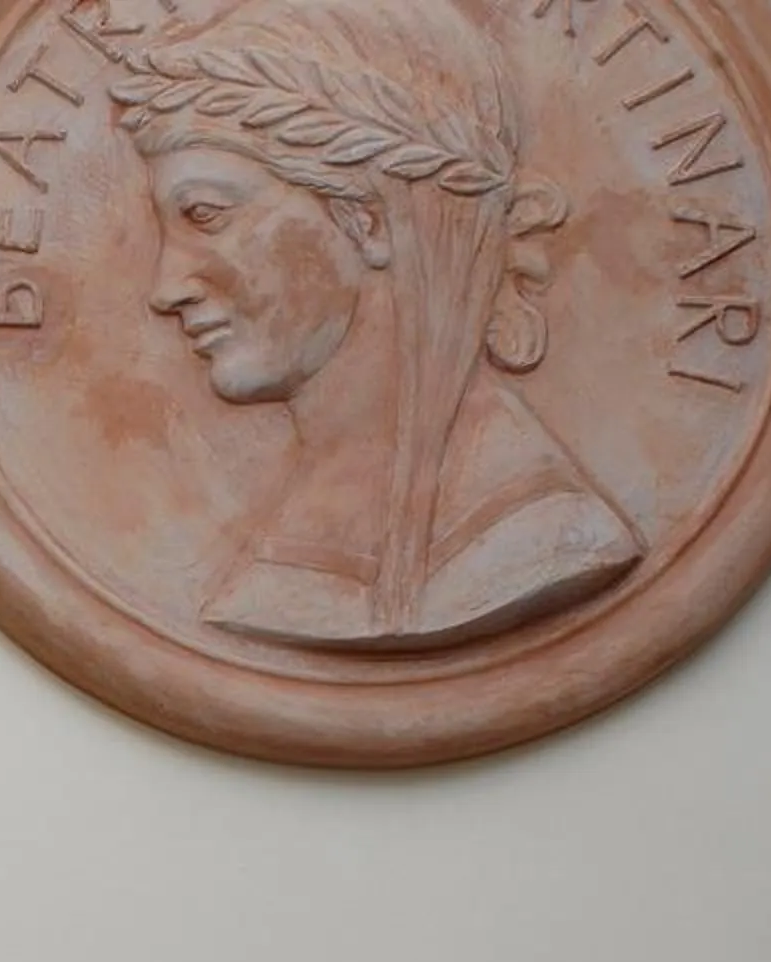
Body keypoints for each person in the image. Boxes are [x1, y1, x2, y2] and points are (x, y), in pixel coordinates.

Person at [109, 0, 641, 650]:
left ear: (369, 219)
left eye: (206, 214)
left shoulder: (530, 534)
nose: (167, 289)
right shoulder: (299, 534)